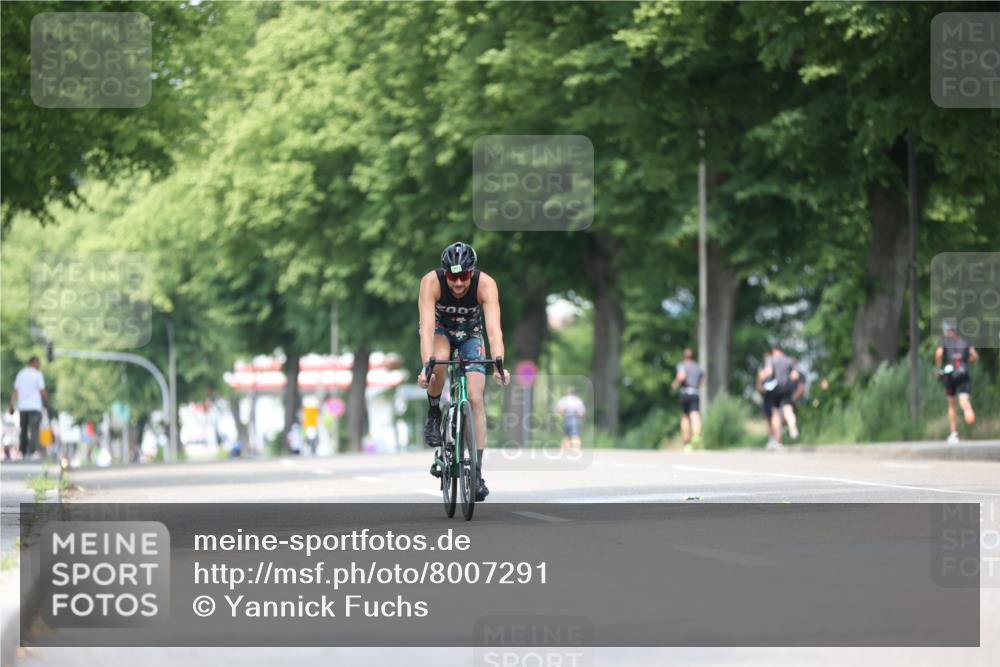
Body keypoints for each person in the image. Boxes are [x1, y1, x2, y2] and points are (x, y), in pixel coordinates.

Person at [417, 242, 510, 501]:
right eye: (453, 277)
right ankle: (434, 412)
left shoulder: (486, 284)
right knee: (440, 361)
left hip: (471, 333)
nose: (458, 283)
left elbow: (494, 330)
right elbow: (425, 327)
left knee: (476, 398)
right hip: (440, 331)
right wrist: (427, 366)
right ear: (445, 273)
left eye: (464, 276)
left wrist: (499, 361)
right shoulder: (431, 282)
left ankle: (476, 474)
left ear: (472, 272)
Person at [935, 321, 978, 444]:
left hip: (950, 376)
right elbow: (974, 355)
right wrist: (967, 362)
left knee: (951, 405)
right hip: (964, 373)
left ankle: (953, 433)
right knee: (964, 399)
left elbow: (938, 354)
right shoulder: (965, 341)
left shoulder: (945, 341)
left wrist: (938, 369)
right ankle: (967, 409)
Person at [8, 355, 49, 459]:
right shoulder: (37, 374)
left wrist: (11, 405)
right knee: (34, 429)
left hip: (23, 407)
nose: (40, 365)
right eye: (38, 363)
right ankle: (34, 451)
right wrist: (46, 403)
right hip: (35, 407)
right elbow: (42, 391)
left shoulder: (20, 374)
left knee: (24, 430)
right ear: (34, 363)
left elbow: (15, 392)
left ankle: (24, 452)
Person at [760, 345, 800, 448]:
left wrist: (764, 375)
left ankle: (777, 440)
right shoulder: (789, 360)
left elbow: (768, 372)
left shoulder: (771, 360)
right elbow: (795, 375)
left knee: (775, 413)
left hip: (776, 389)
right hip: (787, 388)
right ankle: (793, 428)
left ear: (774, 351)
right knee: (788, 409)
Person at [671, 349, 704, 450]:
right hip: (695, 392)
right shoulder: (697, 366)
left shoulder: (682, 365)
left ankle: (686, 443)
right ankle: (696, 435)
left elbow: (682, 376)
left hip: (685, 392)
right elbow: (703, 380)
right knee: (695, 414)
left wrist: (675, 383)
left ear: (684, 357)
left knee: (685, 416)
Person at [555, 386, 586, 452]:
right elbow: (582, 412)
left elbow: (558, 408)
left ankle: (565, 449)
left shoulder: (564, 399)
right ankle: (576, 447)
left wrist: (563, 412)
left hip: (567, 418)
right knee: (575, 434)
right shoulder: (578, 400)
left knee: (566, 434)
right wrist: (580, 417)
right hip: (575, 418)